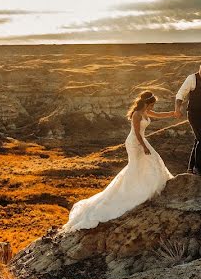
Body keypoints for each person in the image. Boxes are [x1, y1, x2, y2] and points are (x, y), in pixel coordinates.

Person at [62, 91, 177, 232]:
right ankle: (132, 191)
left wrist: (172, 113)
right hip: (135, 143)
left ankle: (148, 184)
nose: (152, 108)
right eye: (151, 105)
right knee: (135, 167)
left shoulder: (146, 112)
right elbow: (136, 133)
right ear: (146, 103)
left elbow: (158, 115)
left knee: (152, 160)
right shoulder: (137, 114)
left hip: (142, 141)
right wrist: (144, 146)